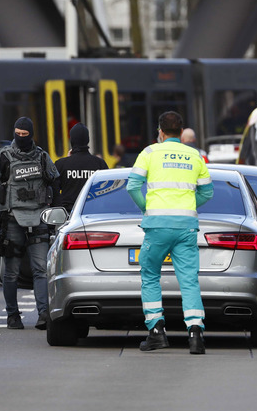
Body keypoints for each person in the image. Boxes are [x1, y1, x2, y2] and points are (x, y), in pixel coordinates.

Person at [127, 111, 213, 354]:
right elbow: (208, 192)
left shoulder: (150, 152)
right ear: (181, 131)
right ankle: (196, 334)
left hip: (157, 227)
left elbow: (132, 186)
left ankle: (156, 332)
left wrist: (147, 208)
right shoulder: (195, 155)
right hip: (186, 226)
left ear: (161, 132)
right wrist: (187, 204)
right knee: (188, 280)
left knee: (151, 275)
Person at [0, 117, 59, 330]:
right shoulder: (4, 157)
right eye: (18, 134)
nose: (21, 138)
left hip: (39, 219)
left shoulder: (42, 157)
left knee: (41, 269)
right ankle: (13, 315)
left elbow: (55, 182)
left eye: (25, 135)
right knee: (11, 271)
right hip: (11, 220)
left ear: (31, 135)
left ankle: (44, 314)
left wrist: (56, 215)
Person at [54, 123, 108, 213]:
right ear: (87, 140)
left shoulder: (61, 164)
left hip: (68, 214)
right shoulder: (100, 164)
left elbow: (54, 192)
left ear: (72, 140)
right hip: (94, 213)